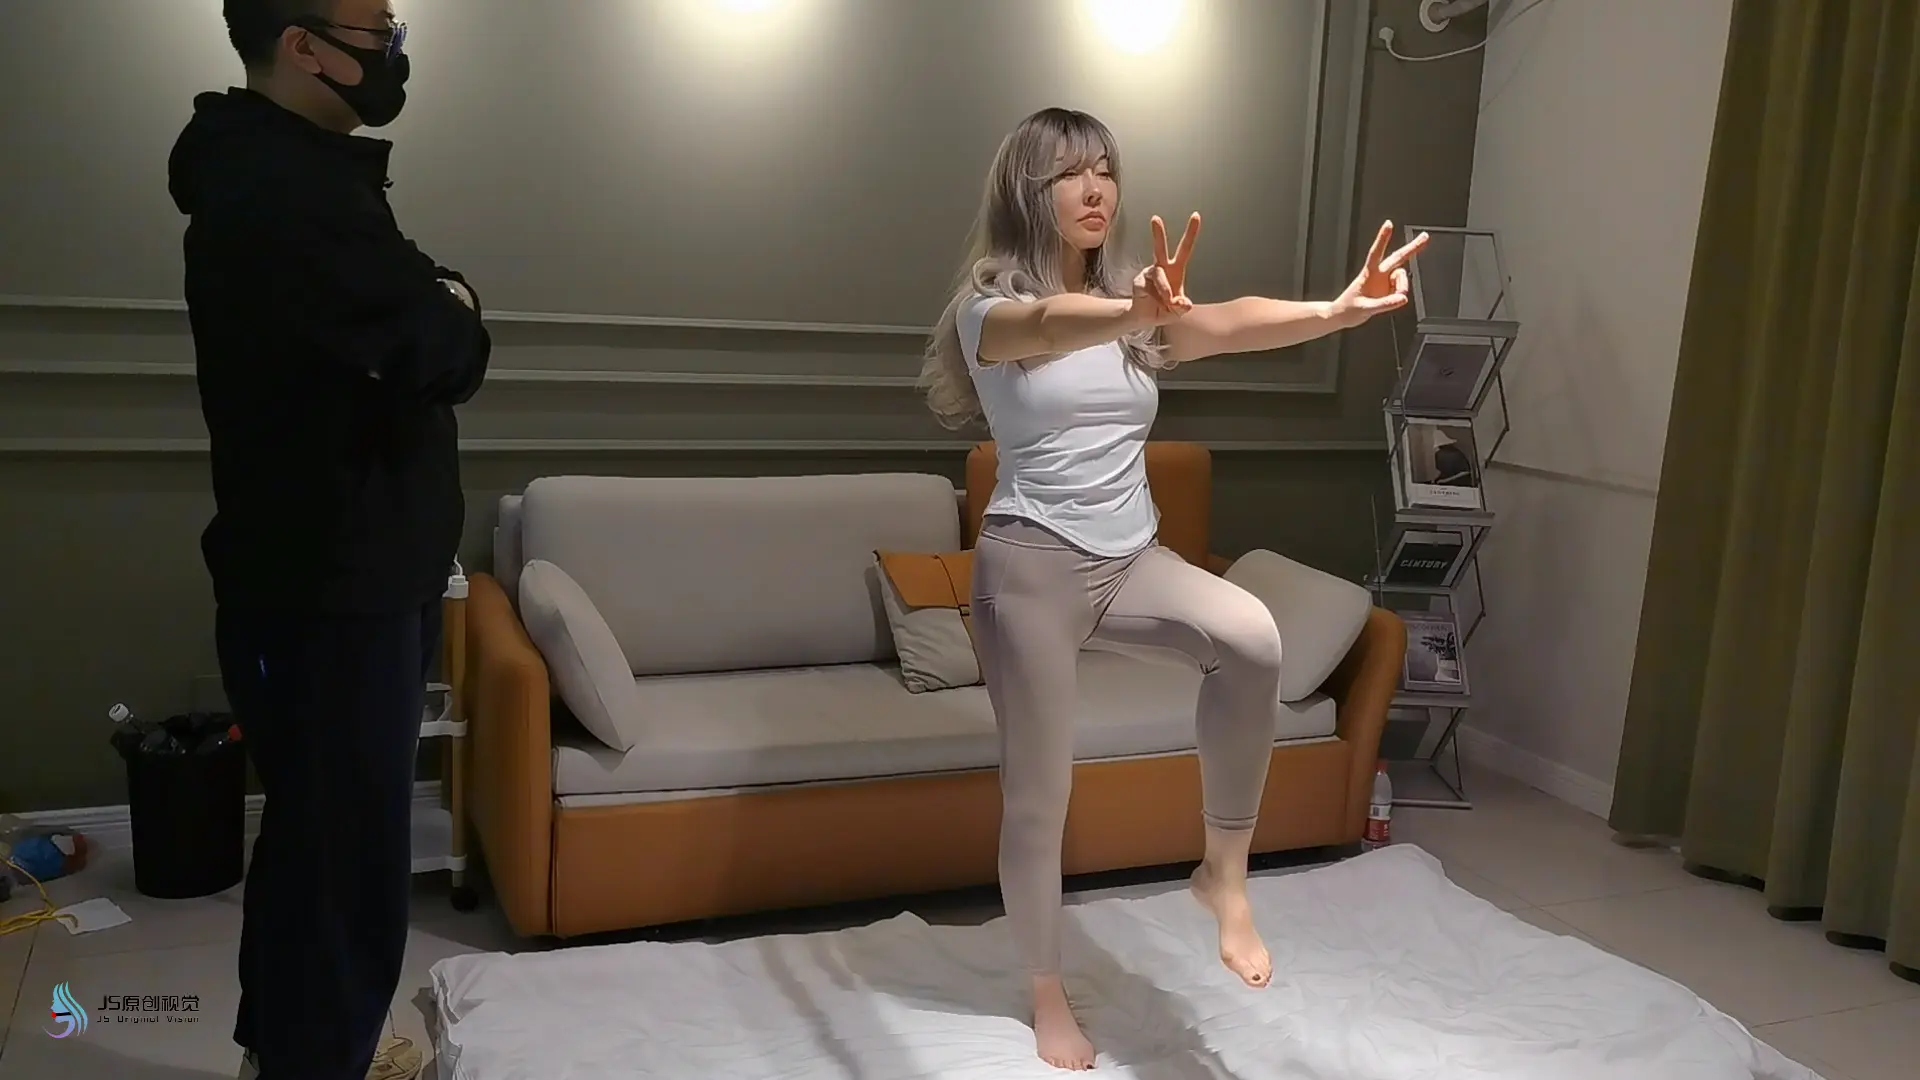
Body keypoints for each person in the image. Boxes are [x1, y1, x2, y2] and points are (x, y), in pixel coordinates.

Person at [918, 106, 1426, 1071]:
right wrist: (1134, 314)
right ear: (1028, 191)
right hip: (1030, 567)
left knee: (1253, 638)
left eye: (1106, 169)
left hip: (1130, 560)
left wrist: (1338, 310)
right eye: (1069, 173)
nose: (1096, 189)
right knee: (1039, 793)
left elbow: (1226, 322)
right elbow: (1048, 324)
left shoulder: (1137, 307)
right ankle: (1046, 990)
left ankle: (1221, 875)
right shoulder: (989, 310)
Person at [167, 3, 491, 1078]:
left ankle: (295, 1054)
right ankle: (320, 1060)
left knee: (319, 839)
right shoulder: (279, 192)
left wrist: (439, 303)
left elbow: (424, 322)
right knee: (344, 859)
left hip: (356, 572)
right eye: (376, 27)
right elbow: (445, 344)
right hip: (330, 582)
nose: (394, 48)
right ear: (303, 44)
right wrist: (448, 302)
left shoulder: (309, 175)